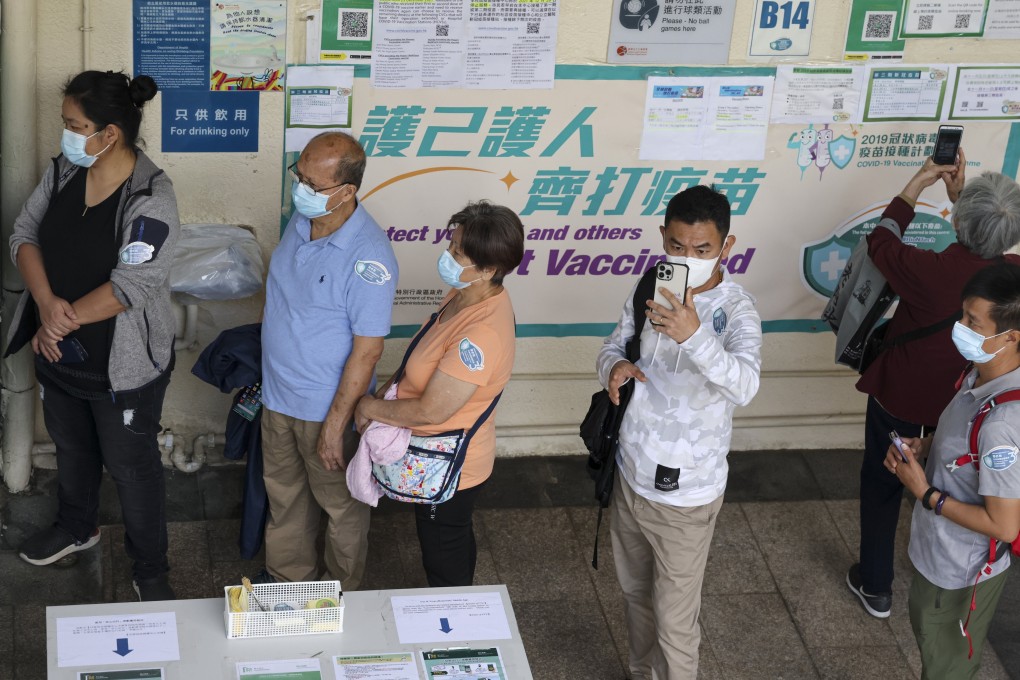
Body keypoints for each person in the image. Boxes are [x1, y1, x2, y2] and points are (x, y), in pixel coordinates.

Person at [7, 71, 179, 601]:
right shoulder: (64, 171)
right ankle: (77, 527)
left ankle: (150, 568)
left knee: (133, 469)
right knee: (73, 448)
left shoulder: (151, 196)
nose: (66, 135)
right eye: (66, 124)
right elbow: (24, 234)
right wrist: (44, 303)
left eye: (75, 126)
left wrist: (61, 318)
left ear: (110, 134)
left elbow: (133, 285)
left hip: (121, 366)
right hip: (59, 351)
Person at [597, 185, 762, 679]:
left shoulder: (737, 309)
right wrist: (614, 367)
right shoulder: (650, 285)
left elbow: (745, 385)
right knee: (633, 597)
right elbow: (612, 344)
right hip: (630, 475)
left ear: (726, 247)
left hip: (686, 496)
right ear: (663, 238)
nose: (686, 258)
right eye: (676, 246)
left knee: (675, 623)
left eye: (701, 250)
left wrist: (695, 335)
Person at [848, 152, 1020, 619]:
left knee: (883, 482)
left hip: (902, 395)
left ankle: (877, 585)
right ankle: (946, 568)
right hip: (965, 405)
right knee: (959, 481)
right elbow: (988, 241)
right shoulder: (1013, 279)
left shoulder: (925, 268)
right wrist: (965, 203)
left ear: (958, 220)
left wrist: (915, 187)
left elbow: (881, 240)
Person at [355, 201, 523, 587]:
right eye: (451, 245)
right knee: (454, 537)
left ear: (488, 270)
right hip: (435, 455)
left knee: (443, 550)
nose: (447, 256)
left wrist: (369, 406)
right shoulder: (464, 293)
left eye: (457, 253)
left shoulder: (482, 333)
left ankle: (453, 627)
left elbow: (432, 411)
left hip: (448, 464)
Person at [259, 131, 397, 588]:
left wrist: (337, 426)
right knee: (285, 501)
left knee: (341, 509)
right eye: (298, 177)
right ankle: (289, 586)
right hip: (278, 397)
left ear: (347, 191)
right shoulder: (300, 221)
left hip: (325, 410)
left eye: (312, 185)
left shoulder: (368, 257)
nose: (300, 190)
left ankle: (340, 594)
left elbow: (368, 350)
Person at [885, 262, 1020, 679]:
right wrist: (925, 448)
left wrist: (925, 493)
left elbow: (1004, 526)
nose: (958, 326)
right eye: (962, 314)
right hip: (939, 555)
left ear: (1011, 337)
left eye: (971, 321)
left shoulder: (1001, 426)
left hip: (960, 573)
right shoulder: (980, 374)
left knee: (944, 665)